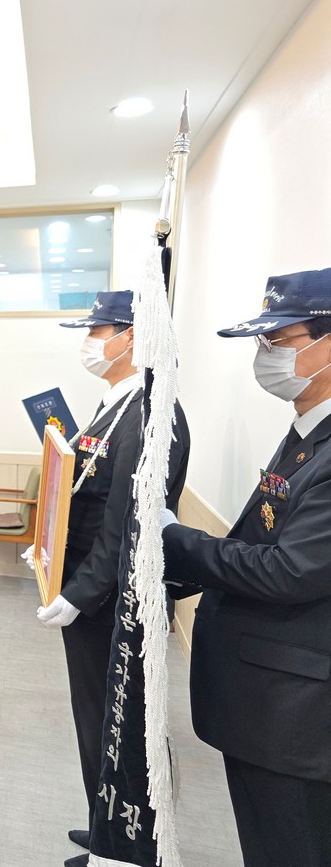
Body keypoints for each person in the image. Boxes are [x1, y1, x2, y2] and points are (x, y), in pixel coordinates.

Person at [162, 269, 331, 866]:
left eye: (279, 339)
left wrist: (176, 539)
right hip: (267, 705)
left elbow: (290, 571)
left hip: (295, 716)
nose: (266, 354)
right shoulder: (307, 432)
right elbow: (262, 538)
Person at [36, 291, 189, 864]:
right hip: (91, 596)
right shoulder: (115, 405)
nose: (89, 342)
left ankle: (129, 849)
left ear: (132, 337)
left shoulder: (148, 413)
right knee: (96, 723)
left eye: (98, 331)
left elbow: (128, 523)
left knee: (122, 729)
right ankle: (105, 831)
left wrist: (79, 593)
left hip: (113, 604)